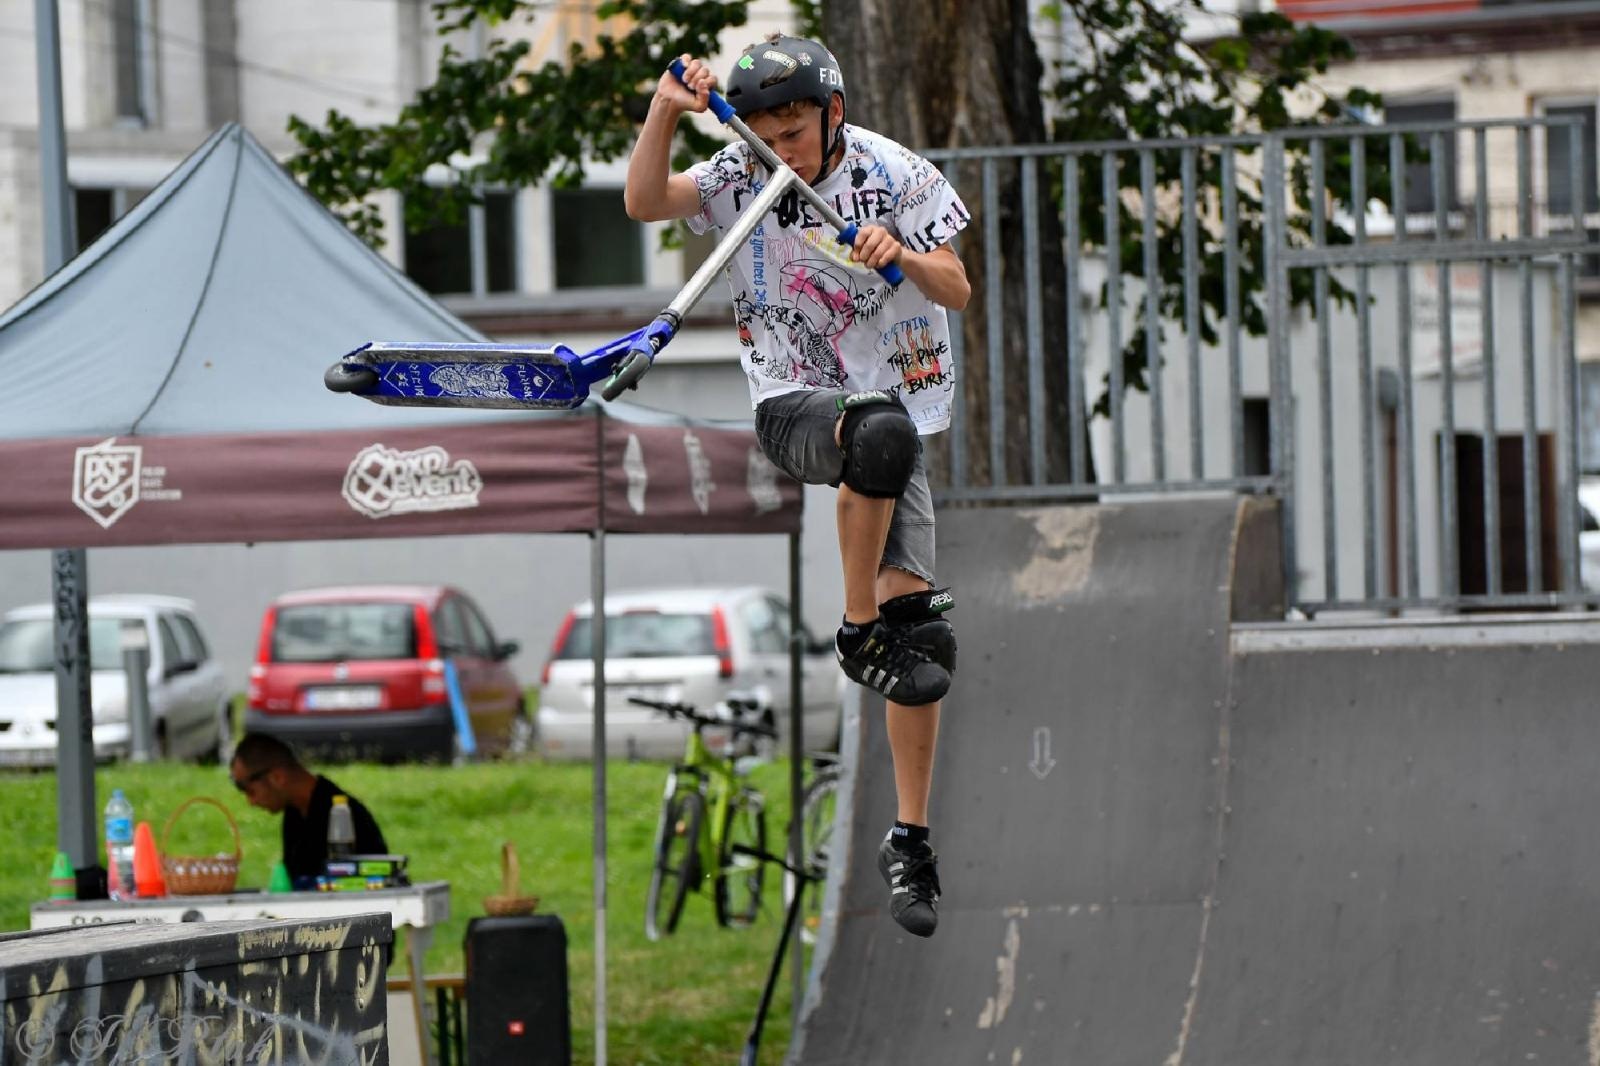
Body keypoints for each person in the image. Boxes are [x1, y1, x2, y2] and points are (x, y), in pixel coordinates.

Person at [624, 34, 971, 938]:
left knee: (924, 647)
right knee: (877, 433)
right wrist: (667, 108)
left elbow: (957, 287)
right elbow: (644, 201)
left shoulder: (898, 175)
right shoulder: (740, 171)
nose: (783, 147)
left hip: (900, 397)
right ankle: (855, 628)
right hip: (793, 401)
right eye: (769, 132)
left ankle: (911, 840)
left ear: (834, 115)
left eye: (797, 130)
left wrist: (897, 255)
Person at [230, 732, 388, 889]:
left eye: (249, 790)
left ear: (277, 777)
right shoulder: (294, 812)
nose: (251, 802)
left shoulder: (342, 814)